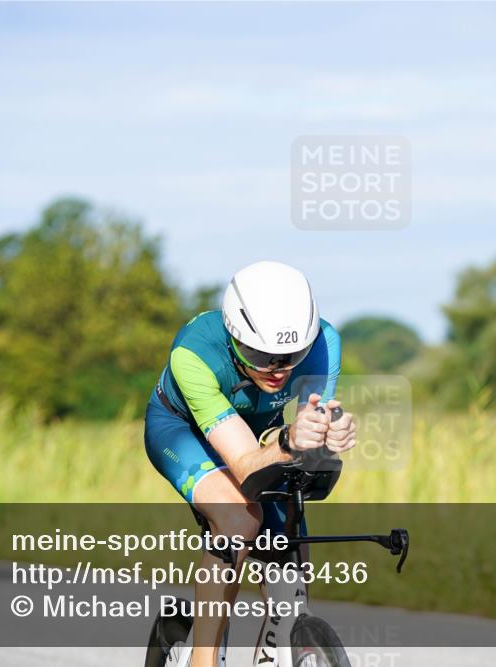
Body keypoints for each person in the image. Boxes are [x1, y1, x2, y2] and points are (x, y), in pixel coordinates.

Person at [144, 260, 355, 667]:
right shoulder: (194, 353)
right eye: (260, 354)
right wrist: (291, 438)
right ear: (233, 334)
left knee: (288, 553)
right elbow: (244, 463)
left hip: (262, 432)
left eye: (293, 354)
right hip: (183, 431)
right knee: (240, 520)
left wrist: (332, 434)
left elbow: (312, 427)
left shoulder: (325, 342)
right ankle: (202, 660)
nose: (277, 369)